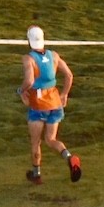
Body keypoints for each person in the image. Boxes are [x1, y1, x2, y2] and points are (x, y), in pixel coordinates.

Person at [18, 25, 82, 184]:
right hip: (55, 101)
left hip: (38, 105)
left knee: (36, 142)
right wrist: (64, 94)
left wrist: (20, 91)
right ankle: (69, 157)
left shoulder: (29, 59)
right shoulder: (54, 55)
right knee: (51, 139)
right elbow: (68, 75)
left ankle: (36, 174)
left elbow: (30, 81)